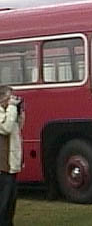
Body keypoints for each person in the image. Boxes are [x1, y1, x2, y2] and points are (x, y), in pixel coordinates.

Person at [0, 86, 24, 226]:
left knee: (10, 204)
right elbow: (6, 128)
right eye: (10, 97)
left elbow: (18, 128)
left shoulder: (9, 112)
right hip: (2, 167)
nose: (12, 100)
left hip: (11, 166)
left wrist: (19, 113)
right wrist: (12, 108)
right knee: (2, 204)